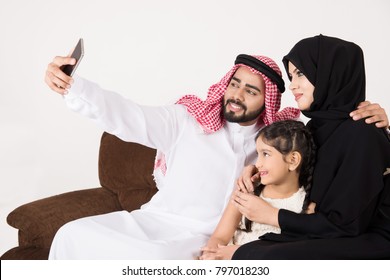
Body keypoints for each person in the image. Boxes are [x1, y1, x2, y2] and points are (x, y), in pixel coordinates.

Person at [44, 49, 388, 259]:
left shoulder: (280, 142)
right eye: (234, 84)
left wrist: (377, 116)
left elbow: (339, 139)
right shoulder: (185, 120)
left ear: (265, 100)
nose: (236, 95)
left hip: (202, 236)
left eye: (250, 91)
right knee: (71, 234)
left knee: (157, 257)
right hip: (152, 219)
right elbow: (126, 115)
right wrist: (74, 87)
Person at [232, 35, 390, 259]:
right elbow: (293, 167)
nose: (292, 85)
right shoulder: (316, 128)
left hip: (368, 239)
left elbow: (346, 225)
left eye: (301, 73)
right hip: (326, 230)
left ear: (330, 73)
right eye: (290, 75)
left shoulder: (363, 133)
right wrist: (257, 171)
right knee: (251, 250)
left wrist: (273, 216)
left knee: (255, 257)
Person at [199, 120, 316, 260]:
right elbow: (219, 237)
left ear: (293, 160)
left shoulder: (304, 208)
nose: (258, 163)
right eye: (258, 154)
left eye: (266, 154)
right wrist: (210, 256)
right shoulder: (246, 192)